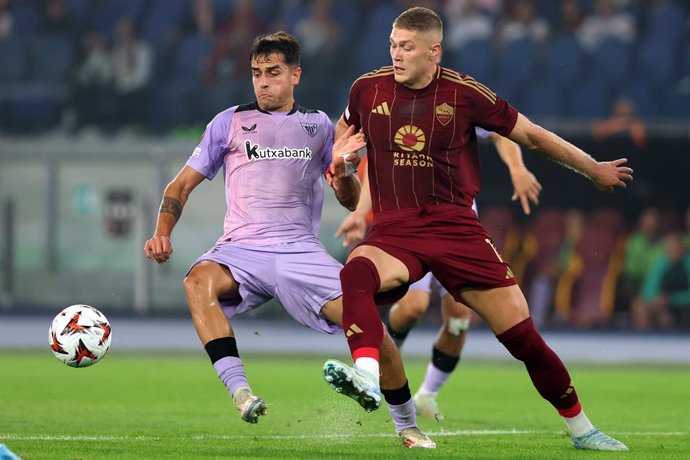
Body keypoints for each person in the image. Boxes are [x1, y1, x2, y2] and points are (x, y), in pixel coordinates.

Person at [322, 7, 632, 452]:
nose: (396, 54)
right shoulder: (366, 90)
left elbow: (532, 136)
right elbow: (346, 181)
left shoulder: (465, 93)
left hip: (458, 232)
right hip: (395, 231)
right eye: (392, 44)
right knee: (355, 272)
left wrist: (591, 168)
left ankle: (583, 428)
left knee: (523, 339)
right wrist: (341, 168)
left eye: (406, 46)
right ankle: (368, 376)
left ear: (434, 50)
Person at [143, 31, 435, 449]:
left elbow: (350, 201)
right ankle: (241, 393)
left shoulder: (318, 126)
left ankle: (407, 426)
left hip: (300, 253)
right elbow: (180, 185)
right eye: (257, 73)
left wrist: (345, 169)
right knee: (196, 280)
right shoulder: (228, 122)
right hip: (240, 249)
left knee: (376, 335)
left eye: (273, 73)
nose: (263, 82)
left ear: (295, 75)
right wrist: (161, 233)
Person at [336, 128, 542, 421]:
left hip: (459, 232)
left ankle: (427, 394)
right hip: (414, 229)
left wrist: (518, 168)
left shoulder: (460, 98)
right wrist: (359, 213)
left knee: (458, 322)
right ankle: (387, 359)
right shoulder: (400, 112)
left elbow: (502, 131)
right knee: (412, 308)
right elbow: (376, 164)